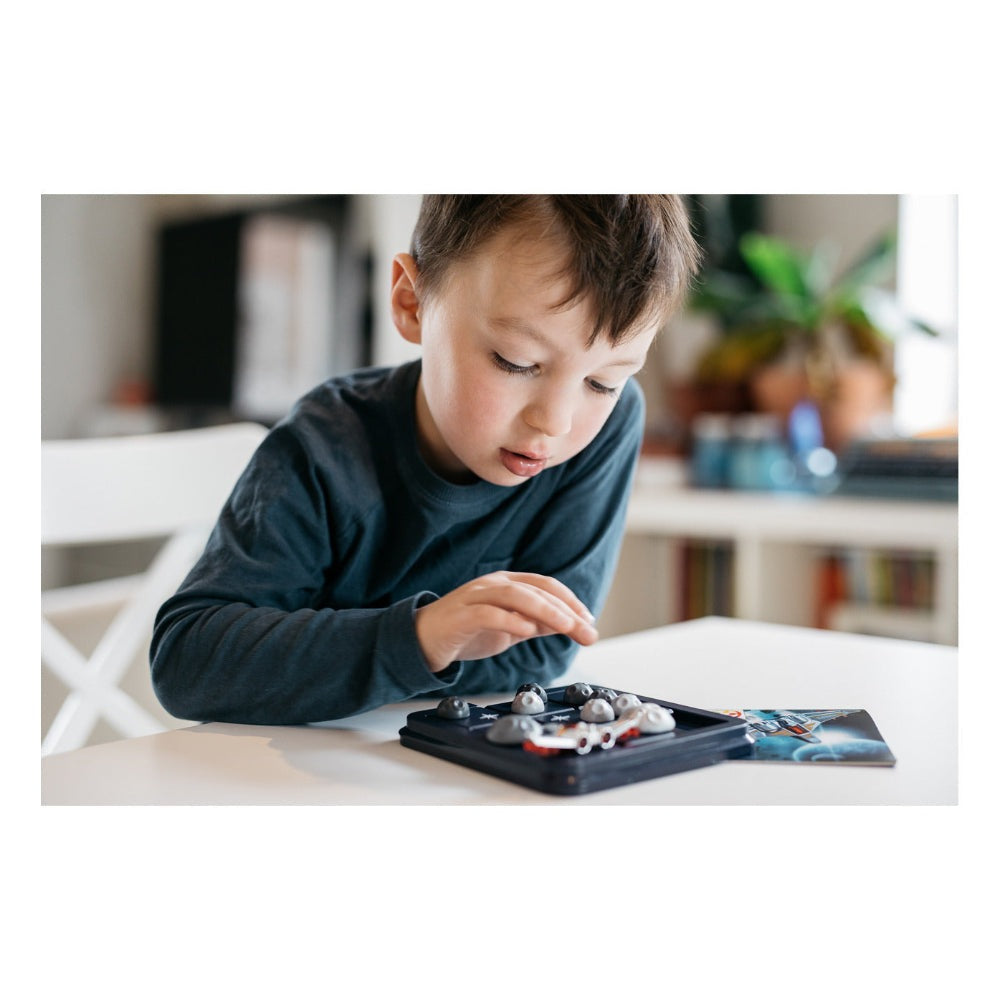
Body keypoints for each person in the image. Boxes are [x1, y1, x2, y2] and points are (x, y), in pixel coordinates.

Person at [151, 195, 700, 725]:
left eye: (603, 381)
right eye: (516, 361)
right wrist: (419, 638)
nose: (554, 422)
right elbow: (187, 662)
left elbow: (544, 649)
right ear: (412, 303)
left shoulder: (606, 426)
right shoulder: (326, 447)